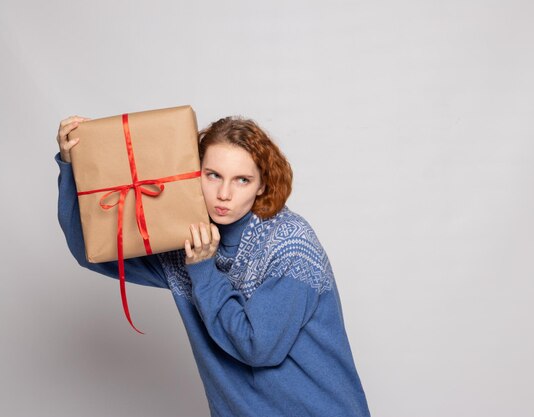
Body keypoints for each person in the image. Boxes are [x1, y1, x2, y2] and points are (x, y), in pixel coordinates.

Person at [55, 114, 371, 417]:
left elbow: (257, 347)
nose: (224, 194)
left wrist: (204, 269)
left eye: (242, 180)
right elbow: (93, 251)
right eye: (213, 175)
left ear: (261, 185)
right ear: (194, 173)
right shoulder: (181, 241)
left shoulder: (290, 242)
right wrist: (73, 167)